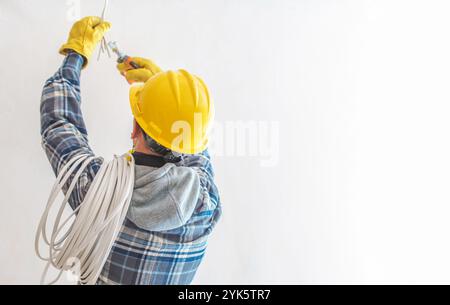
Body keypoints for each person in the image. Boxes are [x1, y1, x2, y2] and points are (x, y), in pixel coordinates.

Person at [40, 16, 222, 285]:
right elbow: (197, 151)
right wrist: (160, 86)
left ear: (136, 125)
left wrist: (75, 54)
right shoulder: (206, 205)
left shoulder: (98, 191)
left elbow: (58, 123)